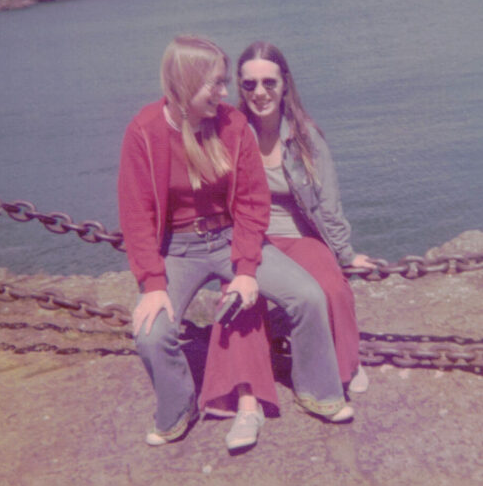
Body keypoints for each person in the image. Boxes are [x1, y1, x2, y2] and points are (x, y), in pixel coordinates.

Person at [118, 35, 353, 454]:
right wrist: (152, 284)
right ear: (187, 83)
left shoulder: (232, 125)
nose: (225, 94)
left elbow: (251, 202)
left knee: (308, 296)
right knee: (152, 335)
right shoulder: (145, 131)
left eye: (226, 83)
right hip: (178, 249)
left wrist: (245, 270)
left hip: (230, 238)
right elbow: (135, 215)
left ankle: (318, 390)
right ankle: (178, 410)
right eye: (216, 84)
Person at [234, 39, 374, 394]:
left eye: (270, 83)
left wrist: (344, 255)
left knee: (332, 289)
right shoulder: (231, 136)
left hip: (299, 237)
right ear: (239, 86)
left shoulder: (306, 139)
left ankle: (347, 366)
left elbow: (328, 203)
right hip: (254, 241)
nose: (260, 92)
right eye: (250, 84)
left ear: (285, 85)